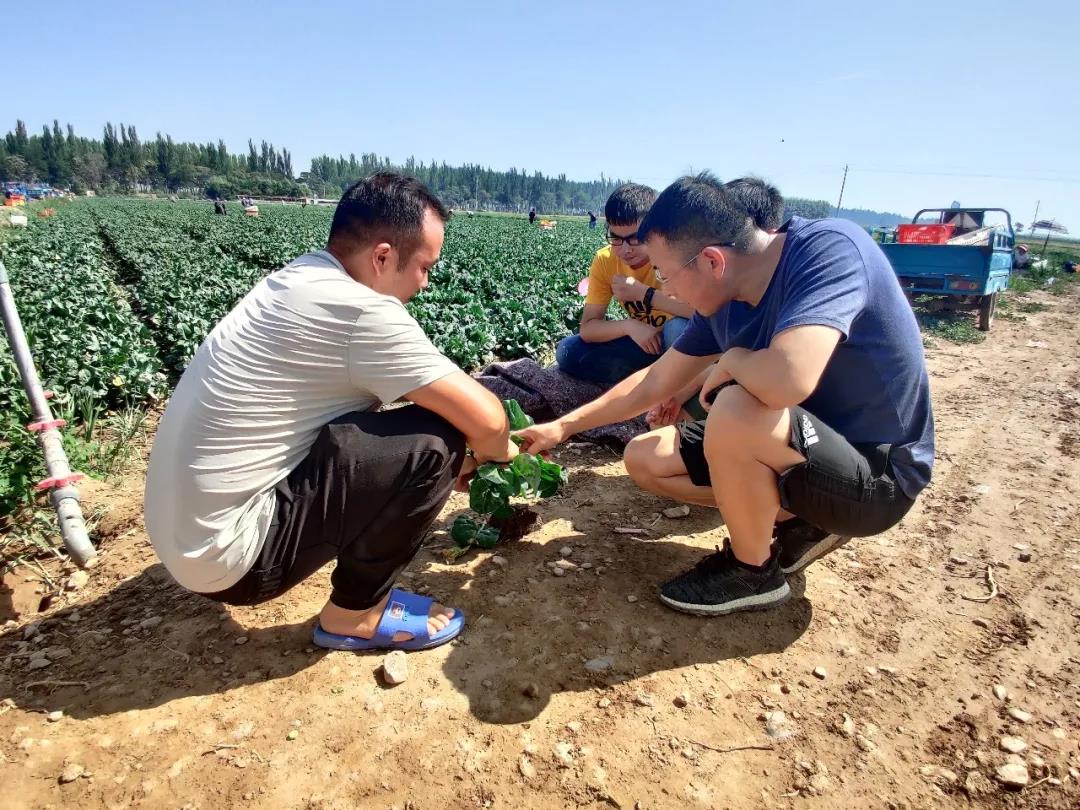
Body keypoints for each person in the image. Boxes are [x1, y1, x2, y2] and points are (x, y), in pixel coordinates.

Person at [520, 172, 934, 617]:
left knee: (736, 406)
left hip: (876, 475)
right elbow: (654, 380)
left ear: (712, 261)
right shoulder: (724, 298)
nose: (665, 289)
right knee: (645, 458)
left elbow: (787, 380)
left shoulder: (830, 250)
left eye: (665, 273)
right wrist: (563, 427)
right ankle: (803, 521)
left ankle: (753, 570)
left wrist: (733, 359)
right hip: (799, 451)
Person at [144, 172, 519, 652]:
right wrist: (495, 456)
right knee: (435, 443)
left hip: (182, 539)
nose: (425, 283)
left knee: (411, 427)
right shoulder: (361, 312)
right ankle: (356, 614)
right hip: (234, 562)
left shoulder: (299, 277)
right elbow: (488, 419)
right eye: (424, 267)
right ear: (382, 257)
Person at [555, 184, 693, 387]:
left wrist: (644, 294)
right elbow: (588, 328)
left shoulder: (676, 255)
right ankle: (651, 377)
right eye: (616, 238)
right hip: (645, 343)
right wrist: (629, 326)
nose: (625, 249)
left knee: (677, 328)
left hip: (683, 345)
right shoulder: (605, 260)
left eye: (634, 238)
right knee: (568, 351)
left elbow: (703, 312)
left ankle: (677, 385)